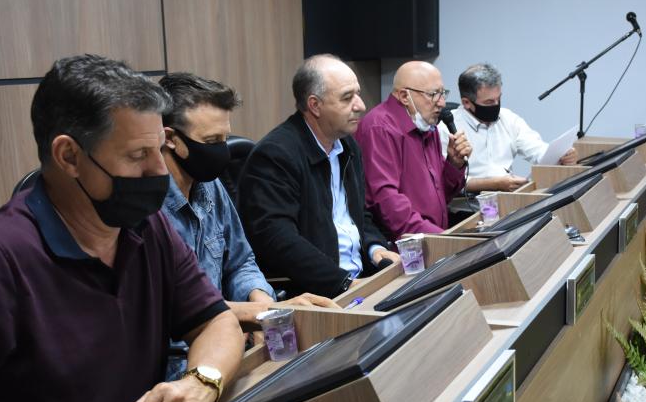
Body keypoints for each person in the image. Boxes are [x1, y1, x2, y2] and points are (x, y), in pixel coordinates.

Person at [0, 55, 245, 402]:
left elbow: (215, 321)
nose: (159, 171)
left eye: (159, 150)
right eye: (137, 156)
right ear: (69, 156)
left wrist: (202, 381)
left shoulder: (147, 225)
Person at [158, 73, 339, 377]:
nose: (222, 152)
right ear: (170, 139)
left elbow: (241, 262)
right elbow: (169, 310)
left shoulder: (210, 186)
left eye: (224, 139)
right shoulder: (148, 208)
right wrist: (254, 313)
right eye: (211, 142)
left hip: (232, 346)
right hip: (177, 367)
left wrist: (261, 299)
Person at [239, 55, 399, 298]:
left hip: (360, 280)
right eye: (347, 97)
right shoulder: (276, 155)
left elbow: (358, 215)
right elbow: (278, 240)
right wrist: (343, 283)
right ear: (315, 105)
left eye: (357, 94)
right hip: (320, 293)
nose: (361, 105)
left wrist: (375, 247)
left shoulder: (347, 146)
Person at [355, 61, 473, 239]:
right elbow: (388, 204)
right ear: (404, 96)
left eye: (443, 93)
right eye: (433, 94)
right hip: (403, 246)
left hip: (433, 236)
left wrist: (454, 165)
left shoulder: (427, 125)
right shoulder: (379, 129)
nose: (442, 103)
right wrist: (443, 238)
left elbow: (441, 196)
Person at [440, 63, 578, 192]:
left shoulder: (508, 118)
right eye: (489, 102)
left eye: (498, 99)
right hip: (468, 204)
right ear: (466, 103)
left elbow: (537, 149)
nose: (496, 105)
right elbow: (445, 181)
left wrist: (561, 155)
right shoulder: (446, 129)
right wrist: (494, 184)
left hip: (507, 197)